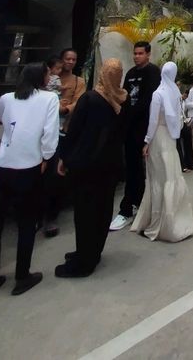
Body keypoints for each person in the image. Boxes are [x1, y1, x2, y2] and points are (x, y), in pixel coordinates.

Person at [0, 62, 59, 297]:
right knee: (26, 222)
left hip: (2, 167)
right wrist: (46, 156)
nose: (50, 76)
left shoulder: (7, 98)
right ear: (41, 77)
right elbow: (50, 133)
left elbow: (0, 115)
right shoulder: (49, 99)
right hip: (29, 167)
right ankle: (22, 276)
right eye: (48, 73)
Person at [55, 58, 128, 277]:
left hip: (87, 166)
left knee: (85, 213)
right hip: (110, 166)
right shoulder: (122, 100)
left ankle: (83, 263)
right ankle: (92, 253)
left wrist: (64, 158)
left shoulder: (90, 99)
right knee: (103, 210)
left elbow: (74, 131)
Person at [131, 62, 193, 242]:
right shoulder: (175, 92)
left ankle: (155, 225)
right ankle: (174, 222)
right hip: (170, 139)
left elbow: (152, 122)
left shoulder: (158, 94)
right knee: (171, 177)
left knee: (157, 180)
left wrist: (146, 142)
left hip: (158, 138)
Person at [110, 41, 161, 231]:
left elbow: (149, 101)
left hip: (146, 130)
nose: (136, 56)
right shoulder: (131, 74)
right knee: (132, 169)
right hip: (129, 130)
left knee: (147, 170)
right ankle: (131, 206)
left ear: (148, 54)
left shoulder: (153, 73)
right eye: (135, 53)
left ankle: (145, 206)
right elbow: (124, 97)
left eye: (140, 53)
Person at [38, 56, 65, 238]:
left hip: (52, 143)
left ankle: (49, 217)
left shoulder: (51, 97)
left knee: (52, 180)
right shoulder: (18, 97)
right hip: (37, 145)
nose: (51, 76)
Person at [58, 48, 85, 133]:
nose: (71, 62)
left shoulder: (79, 81)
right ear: (61, 60)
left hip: (65, 124)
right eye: (68, 59)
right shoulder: (50, 78)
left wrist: (66, 109)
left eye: (74, 60)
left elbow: (78, 101)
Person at [176, 84, 193, 172]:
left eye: (186, 96)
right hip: (175, 124)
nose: (185, 97)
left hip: (183, 122)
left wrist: (187, 120)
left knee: (188, 139)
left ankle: (190, 163)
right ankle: (182, 166)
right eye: (184, 95)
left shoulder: (183, 101)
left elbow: (183, 112)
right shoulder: (175, 100)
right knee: (178, 145)